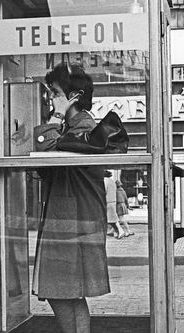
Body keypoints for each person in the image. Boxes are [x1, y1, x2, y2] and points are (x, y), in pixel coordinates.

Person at [33, 63, 110, 333]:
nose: (50, 98)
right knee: (70, 294)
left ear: (73, 97)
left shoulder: (82, 127)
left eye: (54, 93)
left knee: (60, 291)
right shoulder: (75, 127)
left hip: (72, 222)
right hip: (71, 220)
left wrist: (55, 115)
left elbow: (46, 150)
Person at [104, 171, 125, 239]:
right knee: (111, 218)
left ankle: (120, 231)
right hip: (113, 201)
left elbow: (104, 191)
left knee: (113, 219)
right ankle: (116, 232)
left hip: (108, 201)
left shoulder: (105, 181)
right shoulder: (112, 181)